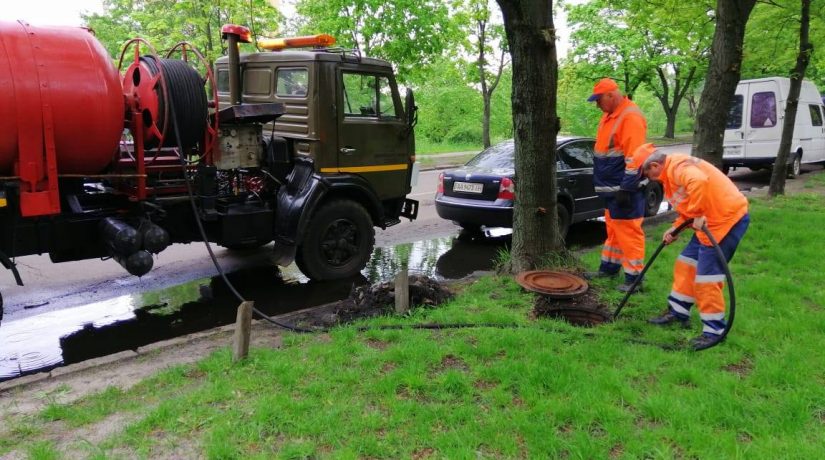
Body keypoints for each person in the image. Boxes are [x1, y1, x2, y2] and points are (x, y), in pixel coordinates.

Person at [636, 145, 750, 349]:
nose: (648, 179)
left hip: (726, 220)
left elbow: (699, 181)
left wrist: (698, 214)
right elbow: (687, 204)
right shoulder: (671, 172)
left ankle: (714, 331)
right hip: (709, 221)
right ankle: (678, 313)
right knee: (686, 263)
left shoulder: (677, 167)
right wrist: (675, 229)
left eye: (646, 173)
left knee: (707, 276)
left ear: (654, 165)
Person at [586, 78, 649, 293]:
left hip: (624, 190)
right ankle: (609, 268)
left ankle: (635, 279)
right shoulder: (609, 116)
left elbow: (635, 157)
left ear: (611, 95)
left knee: (629, 232)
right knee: (614, 230)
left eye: (599, 100)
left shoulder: (629, 117)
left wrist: (627, 187)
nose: (597, 105)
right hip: (612, 189)